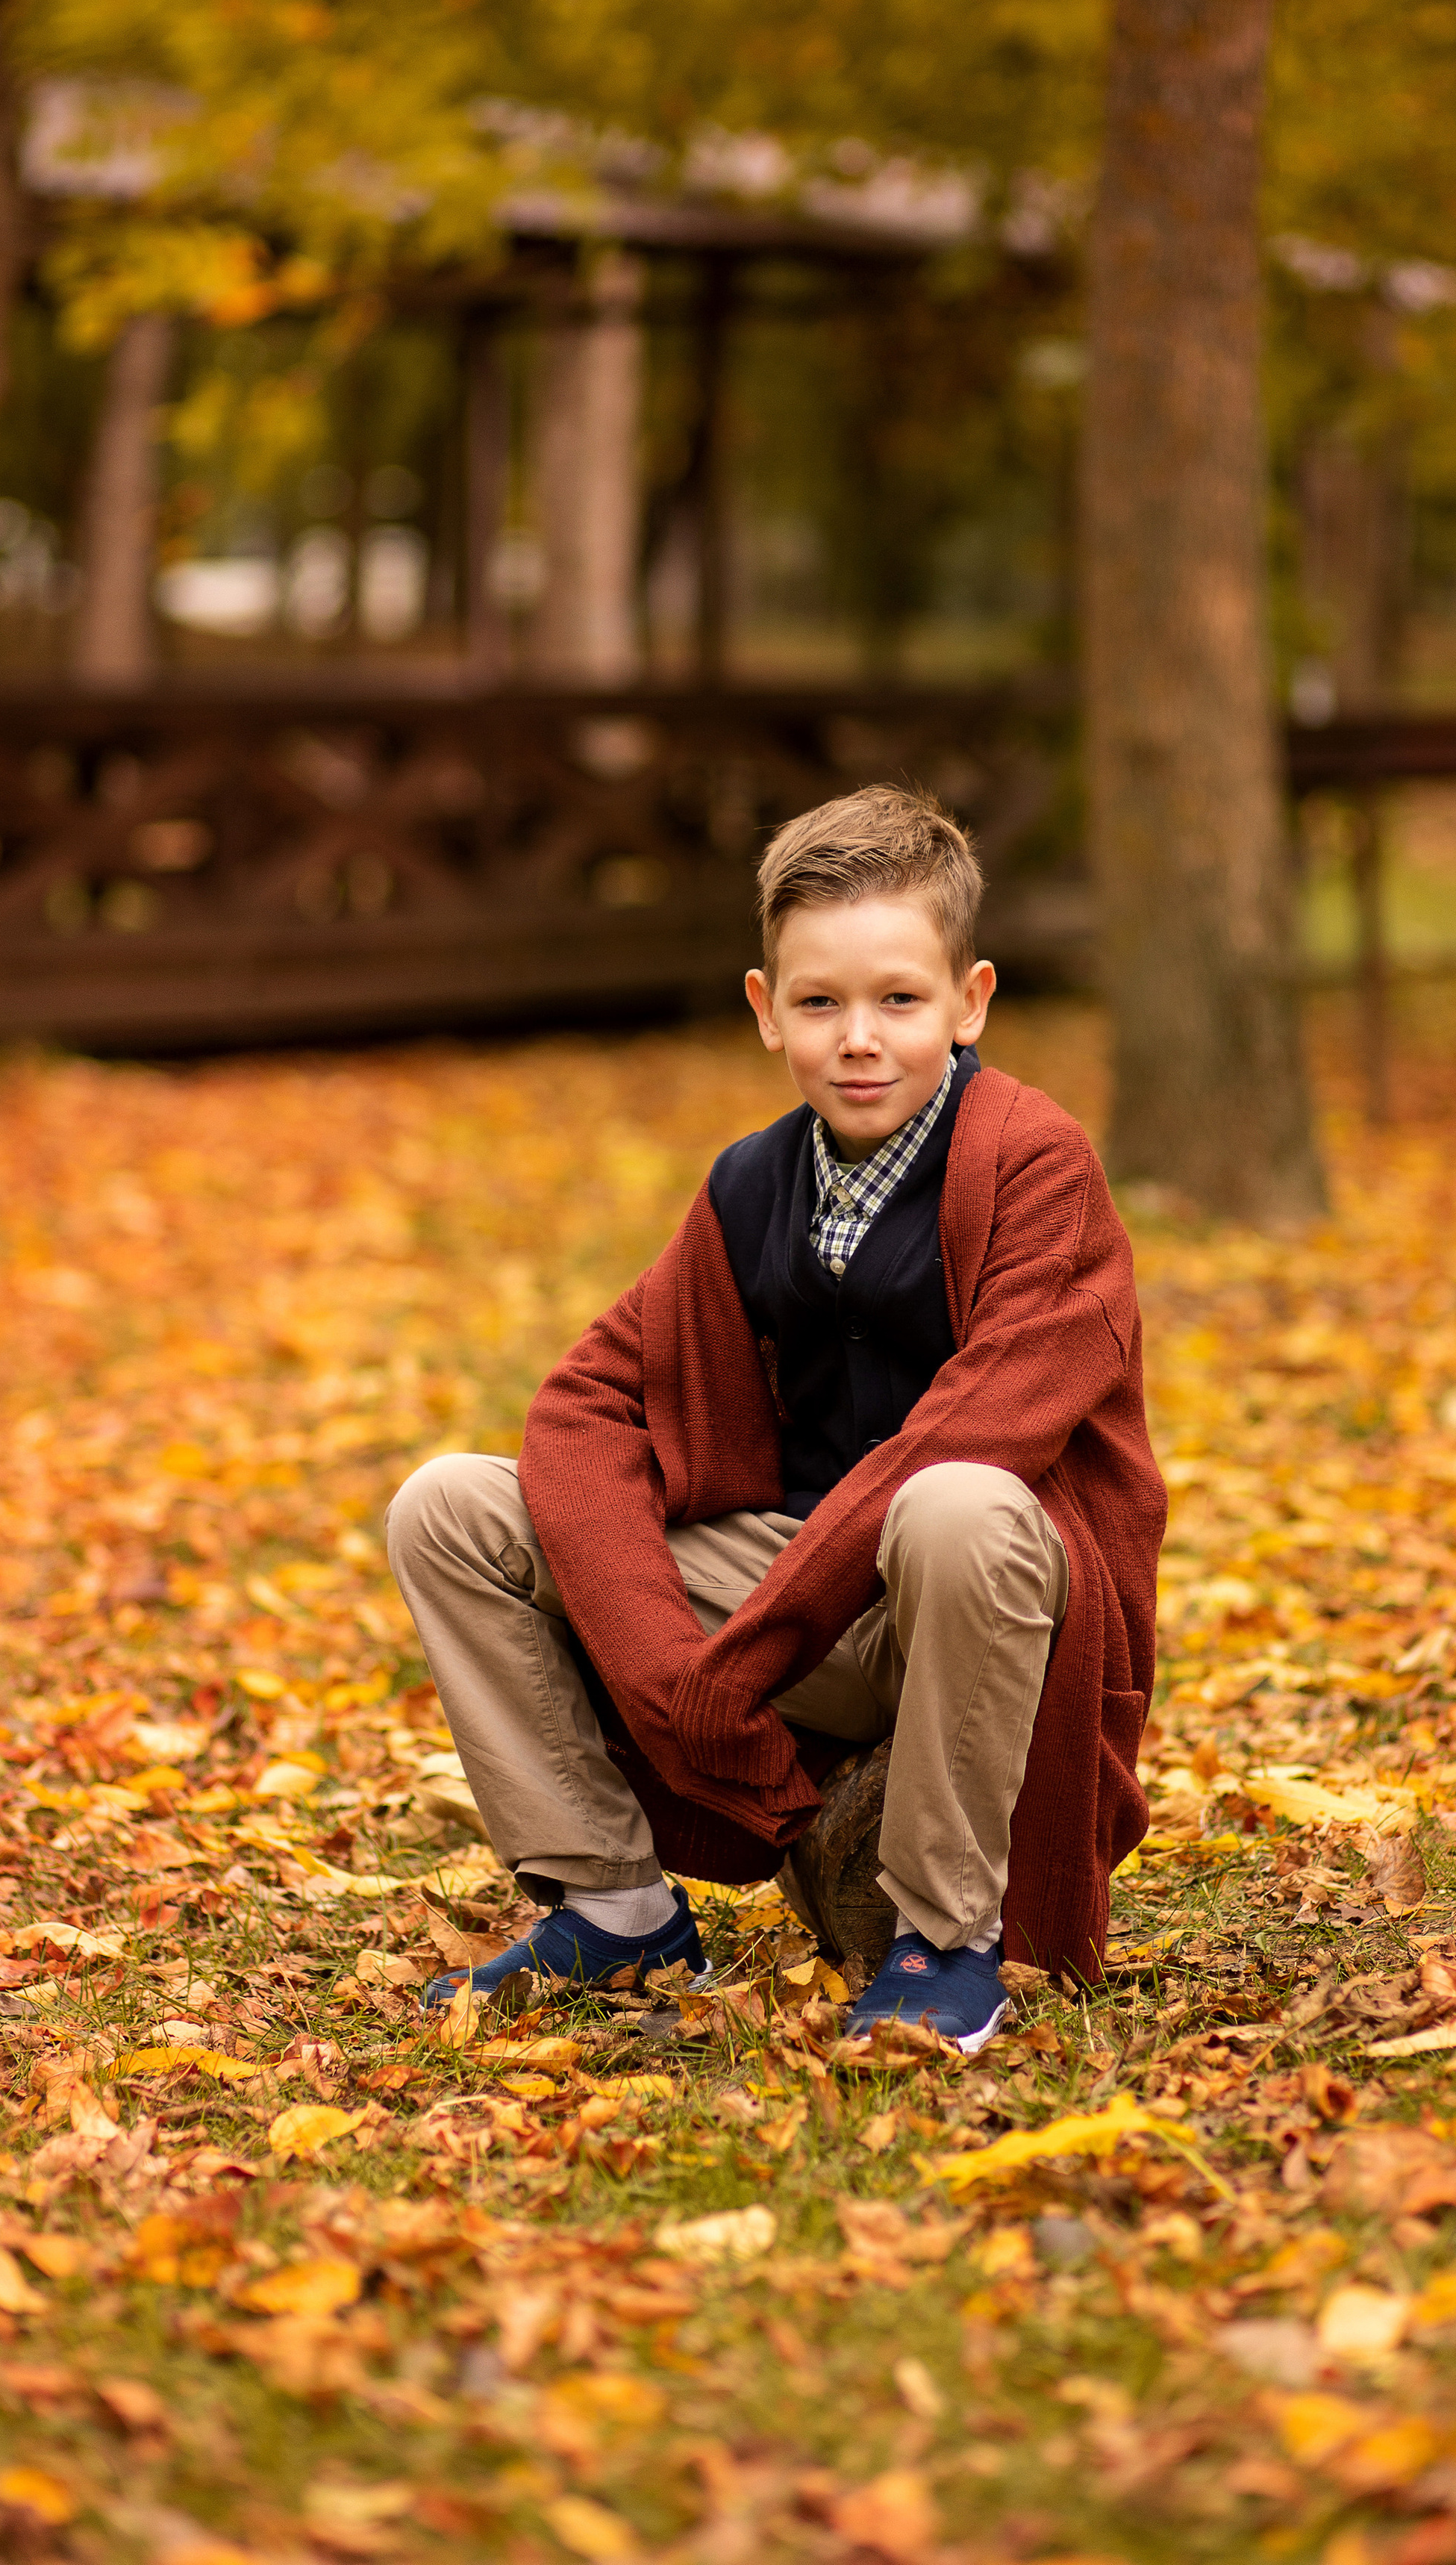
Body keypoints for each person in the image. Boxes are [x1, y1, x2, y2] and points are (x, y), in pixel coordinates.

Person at [385, 783, 1165, 2048]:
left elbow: (972, 1432)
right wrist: (667, 1672)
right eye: (820, 1003)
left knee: (955, 1499)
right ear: (767, 1011)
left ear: (970, 1001)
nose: (861, 1038)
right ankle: (614, 1905)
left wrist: (738, 1667)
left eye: (900, 1001)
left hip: (983, 1606)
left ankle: (943, 1938)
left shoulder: (1035, 1169)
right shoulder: (758, 1184)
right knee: (454, 1505)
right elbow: (590, 1401)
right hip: (802, 1598)